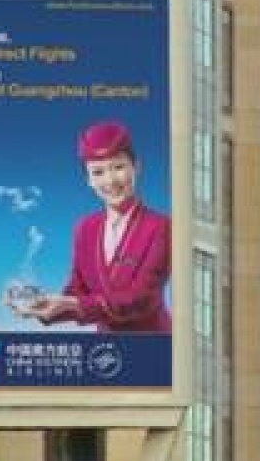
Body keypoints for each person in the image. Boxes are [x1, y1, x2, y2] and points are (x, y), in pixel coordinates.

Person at [13, 120, 172, 333]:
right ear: (88, 179)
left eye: (118, 167)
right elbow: (77, 291)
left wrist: (73, 304)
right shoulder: (85, 228)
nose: (110, 180)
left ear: (137, 167)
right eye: (98, 172)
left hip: (153, 347)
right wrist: (40, 305)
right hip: (103, 352)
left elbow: (142, 300)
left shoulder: (162, 227)